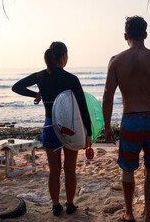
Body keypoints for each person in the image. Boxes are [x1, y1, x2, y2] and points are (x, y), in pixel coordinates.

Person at [102, 16, 150, 222]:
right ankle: (148, 214)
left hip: (131, 120)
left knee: (127, 168)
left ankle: (128, 213)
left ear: (125, 36)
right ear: (145, 35)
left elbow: (108, 96)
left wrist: (107, 126)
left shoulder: (116, 61)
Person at [12, 41, 92, 216]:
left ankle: (56, 205)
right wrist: (89, 132)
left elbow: (16, 87)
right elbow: (83, 107)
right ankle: (70, 204)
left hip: (50, 127)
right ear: (63, 57)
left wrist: (36, 94)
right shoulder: (71, 79)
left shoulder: (40, 76)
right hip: (70, 129)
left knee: (54, 170)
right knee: (70, 169)